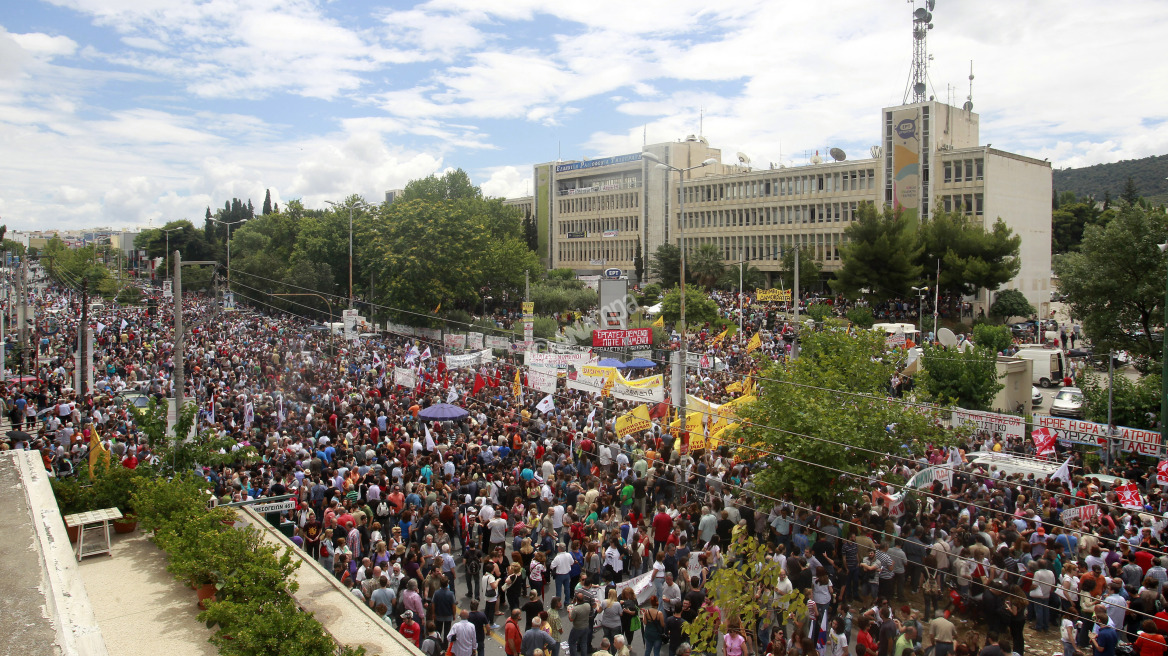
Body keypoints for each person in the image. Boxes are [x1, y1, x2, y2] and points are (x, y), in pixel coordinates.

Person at [568, 592, 593, 656]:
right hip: (586, 626)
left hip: (577, 628)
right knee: (583, 643)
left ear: (576, 599)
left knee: (571, 642)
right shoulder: (588, 605)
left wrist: (569, 612)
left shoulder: (576, 609)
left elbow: (571, 619)